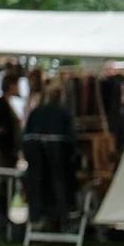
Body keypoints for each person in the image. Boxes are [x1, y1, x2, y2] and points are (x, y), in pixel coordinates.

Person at [22, 83, 78, 231]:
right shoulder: (64, 113)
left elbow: (25, 137)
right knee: (59, 182)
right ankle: (62, 217)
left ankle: (36, 217)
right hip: (57, 158)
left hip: (36, 158)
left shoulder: (36, 113)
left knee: (36, 183)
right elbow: (71, 140)